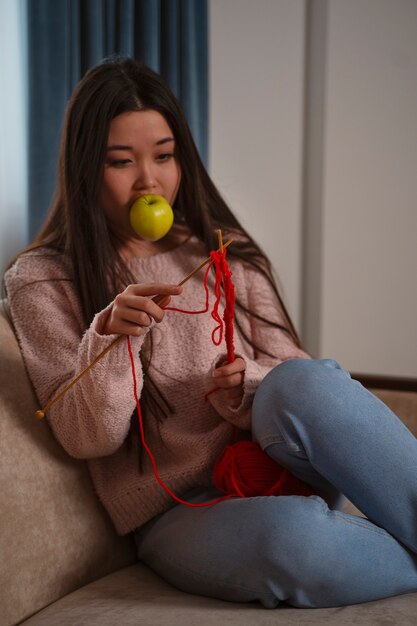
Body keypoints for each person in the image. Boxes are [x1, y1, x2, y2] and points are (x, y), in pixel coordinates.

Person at [4, 57, 417, 609]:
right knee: (291, 543)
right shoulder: (43, 278)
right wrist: (110, 336)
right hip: (180, 509)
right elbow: (88, 439)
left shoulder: (224, 252)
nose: (149, 180)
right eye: (121, 161)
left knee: (302, 381)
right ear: (84, 168)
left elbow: (297, 376)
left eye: (165, 156)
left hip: (275, 465)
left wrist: (250, 385)